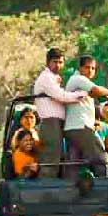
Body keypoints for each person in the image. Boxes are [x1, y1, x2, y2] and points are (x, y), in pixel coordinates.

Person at [33, 48, 87, 178]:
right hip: (50, 123)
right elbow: (61, 96)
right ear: (48, 62)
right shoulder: (46, 78)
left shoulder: (54, 78)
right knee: (51, 159)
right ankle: (46, 190)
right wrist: (80, 95)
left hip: (58, 123)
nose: (58, 65)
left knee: (60, 156)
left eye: (61, 62)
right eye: (55, 62)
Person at [64, 55, 108, 178]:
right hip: (79, 127)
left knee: (75, 161)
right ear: (80, 68)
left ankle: (72, 187)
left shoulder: (80, 83)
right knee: (102, 158)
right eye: (87, 67)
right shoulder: (77, 79)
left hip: (75, 127)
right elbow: (96, 90)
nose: (90, 71)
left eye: (93, 68)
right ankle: (107, 185)